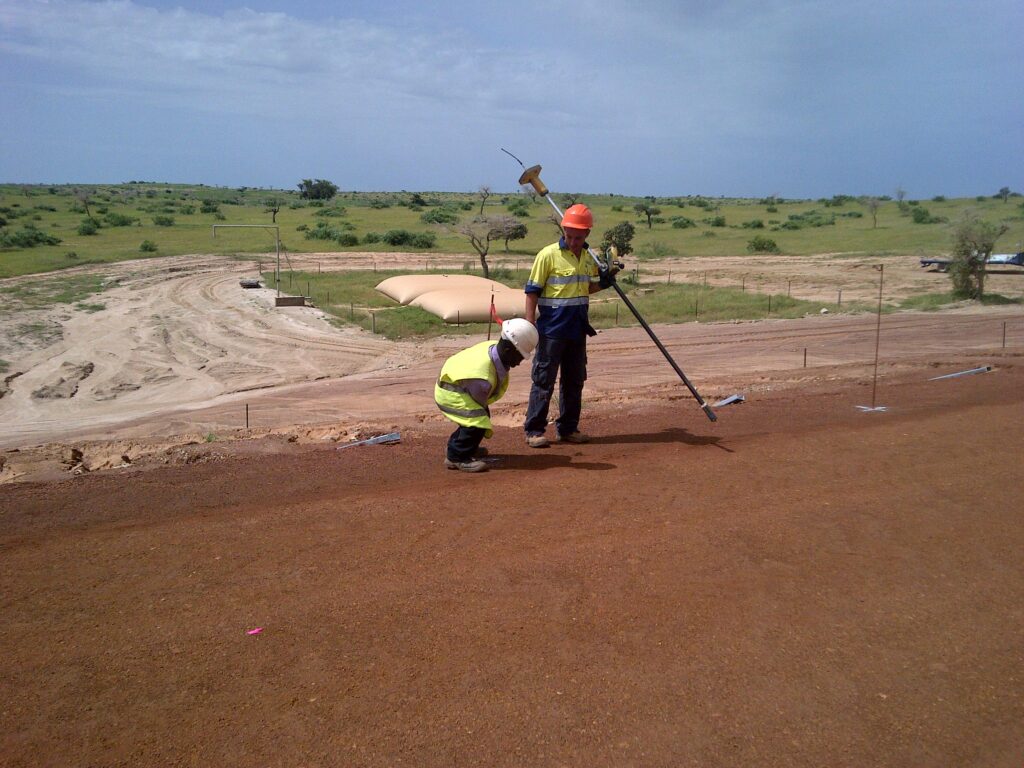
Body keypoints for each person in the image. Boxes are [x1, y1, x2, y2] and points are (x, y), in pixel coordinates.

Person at [523, 204, 619, 448]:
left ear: (587, 234)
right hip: (551, 330)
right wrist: (529, 324)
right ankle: (534, 431)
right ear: (563, 230)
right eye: (570, 236)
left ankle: (567, 429)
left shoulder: (589, 258)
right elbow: (532, 291)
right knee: (544, 380)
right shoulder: (547, 255)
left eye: (579, 237)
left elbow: (585, 289)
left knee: (574, 381)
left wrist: (605, 283)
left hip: (577, 329)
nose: (574, 241)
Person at [434, 318, 539, 473]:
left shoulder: (492, 348)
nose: (520, 362)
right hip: (450, 393)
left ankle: (466, 447)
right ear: (508, 350)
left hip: (455, 386)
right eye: (520, 357)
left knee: (478, 419)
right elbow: (478, 399)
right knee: (477, 421)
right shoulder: (483, 378)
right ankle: (457, 456)